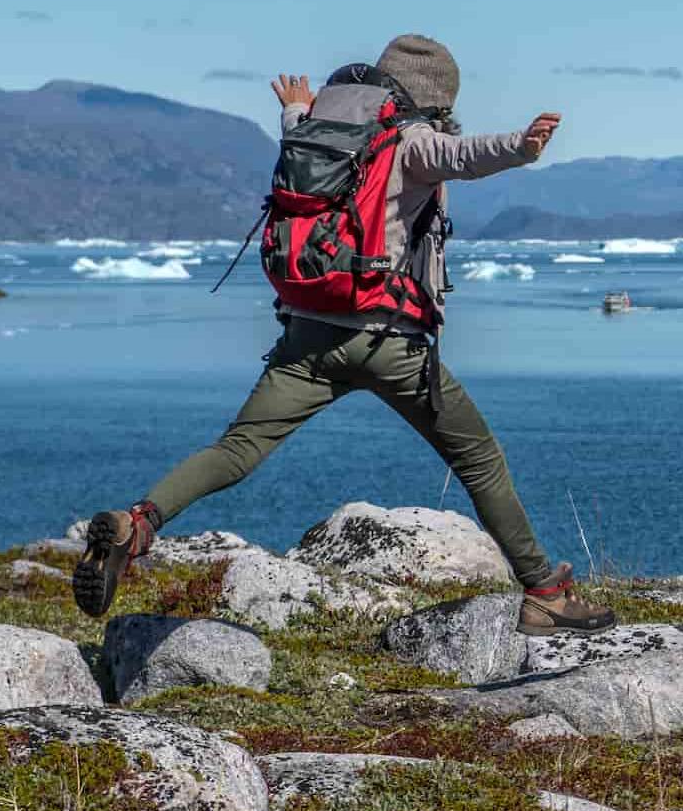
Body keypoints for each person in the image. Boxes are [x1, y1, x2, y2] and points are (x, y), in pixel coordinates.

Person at [69, 32, 618, 632]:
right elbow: (467, 157)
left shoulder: (315, 130)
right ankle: (544, 591)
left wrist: (294, 107)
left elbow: (302, 141)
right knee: (479, 460)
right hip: (387, 342)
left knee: (236, 449)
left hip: (306, 337)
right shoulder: (412, 142)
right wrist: (523, 145)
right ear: (435, 101)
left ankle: (140, 524)